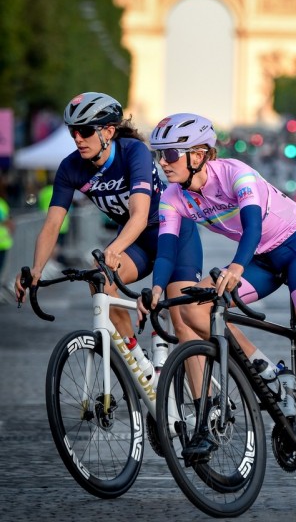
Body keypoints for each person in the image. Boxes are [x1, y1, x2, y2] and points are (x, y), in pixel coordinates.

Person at [143, 112, 296, 477]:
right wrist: (157, 289)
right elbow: (166, 249)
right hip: (262, 260)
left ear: (199, 155)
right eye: (158, 154)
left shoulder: (234, 173)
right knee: (194, 309)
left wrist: (237, 267)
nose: (163, 162)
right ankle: (267, 371)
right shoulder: (173, 197)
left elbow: (253, 225)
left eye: (170, 154)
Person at [14, 93, 203, 376]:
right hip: (136, 242)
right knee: (100, 277)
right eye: (73, 131)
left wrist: (113, 250)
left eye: (85, 131)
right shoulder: (70, 167)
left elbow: (139, 215)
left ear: (109, 131)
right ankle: (138, 362)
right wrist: (37, 269)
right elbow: (53, 223)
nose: (78, 138)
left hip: (172, 234)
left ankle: (204, 399)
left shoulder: (133, 151)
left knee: (183, 322)